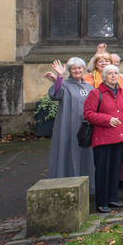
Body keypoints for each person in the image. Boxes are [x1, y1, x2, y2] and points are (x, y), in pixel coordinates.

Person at [83, 64, 123, 213]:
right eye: (109, 73)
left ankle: (112, 198)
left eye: (115, 73)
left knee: (115, 169)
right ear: (104, 77)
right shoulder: (96, 93)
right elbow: (88, 113)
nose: (113, 76)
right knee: (103, 170)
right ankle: (101, 202)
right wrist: (107, 119)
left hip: (119, 137)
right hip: (103, 138)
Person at [44, 58, 95, 193]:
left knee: (87, 156)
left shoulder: (89, 87)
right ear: (70, 71)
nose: (77, 71)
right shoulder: (64, 85)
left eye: (79, 68)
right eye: (74, 68)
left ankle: (88, 188)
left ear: (83, 69)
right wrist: (59, 78)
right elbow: (55, 94)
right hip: (69, 127)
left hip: (87, 129)